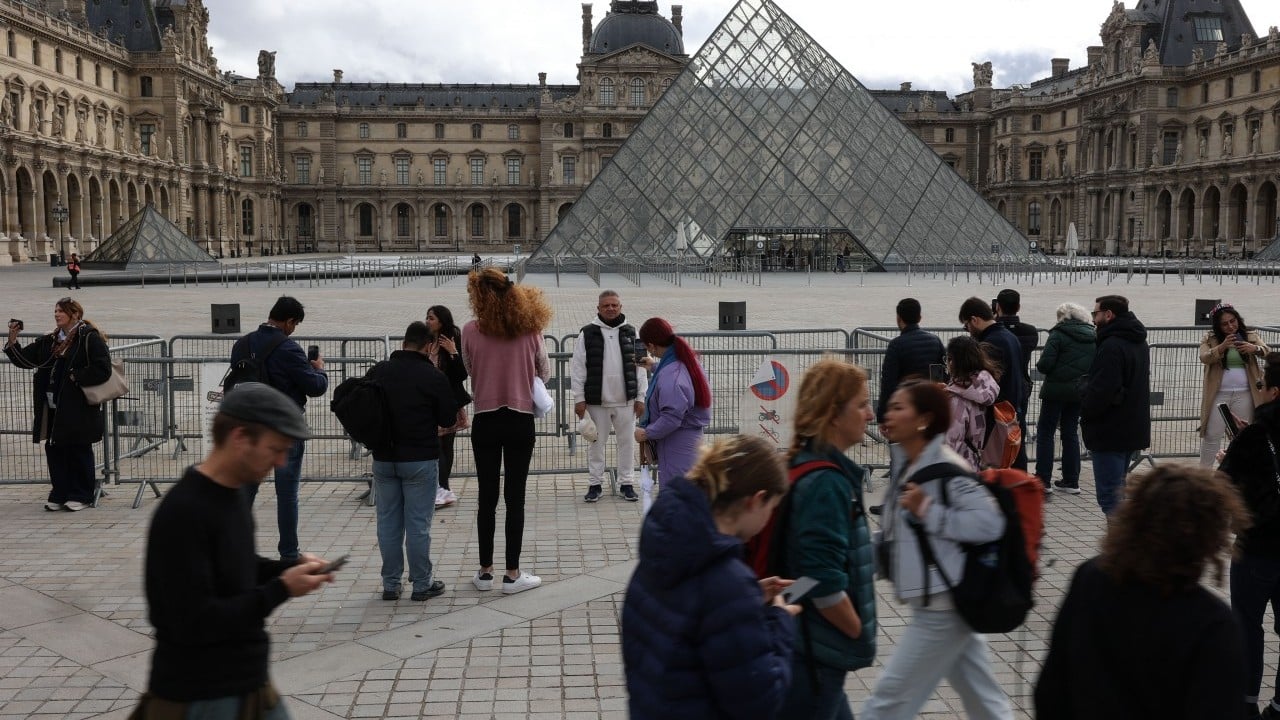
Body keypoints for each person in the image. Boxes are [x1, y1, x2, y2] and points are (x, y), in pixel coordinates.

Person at [131, 382, 336, 719]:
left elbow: (235, 565)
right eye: (275, 449)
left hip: (246, 685)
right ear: (240, 438)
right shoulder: (184, 512)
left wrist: (287, 568)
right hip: (201, 697)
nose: (282, 462)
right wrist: (282, 589)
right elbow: (196, 620)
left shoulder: (233, 494)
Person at [1034, 465, 1248, 719]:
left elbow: (1051, 687)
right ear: (1210, 536)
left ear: (1135, 517)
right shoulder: (1212, 623)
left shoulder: (1092, 577)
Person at [862, 380, 1011, 720]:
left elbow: (990, 523)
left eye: (899, 408)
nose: (888, 414)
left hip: (941, 609)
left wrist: (928, 511)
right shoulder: (910, 466)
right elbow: (893, 534)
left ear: (924, 420)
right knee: (984, 700)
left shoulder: (946, 470)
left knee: (890, 699)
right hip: (944, 603)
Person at [622, 435, 796, 720]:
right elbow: (759, 700)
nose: (768, 520)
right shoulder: (727, 581)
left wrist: (749, 597)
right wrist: (780, 622)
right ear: (757, 500)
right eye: (771, 509)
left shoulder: (664, 548)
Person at [775, 359, 878, 719]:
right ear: (834, 414)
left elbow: (808, 567)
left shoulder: (805, 463)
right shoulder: (827, 483)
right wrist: (856, 631)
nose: (870, 414)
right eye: (862, 404)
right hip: (814, 656)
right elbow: (820, 575)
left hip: (806, 647)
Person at [461, 268, 551, 595]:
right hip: (519, 418)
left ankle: (485, 572)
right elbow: (545, 371)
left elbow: (470, 368)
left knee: (487, 497)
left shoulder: (470, 331)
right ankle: (512, 573)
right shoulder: (531, 330)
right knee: (516, 499)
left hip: (485, 418)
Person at [365, 322, 458, 602]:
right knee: (418, 524)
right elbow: (447, 418)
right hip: (419, 458)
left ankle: (391, 583)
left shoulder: (379, 371)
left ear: (404, 342)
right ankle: (422, 583)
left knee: (388, 522)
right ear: (430, 346)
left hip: (384, 457)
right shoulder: (431, 376)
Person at [233, 296, 328, 562]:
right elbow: (315, 387)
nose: (293, 329)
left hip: (250, 425)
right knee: (286, 494)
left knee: (246, 490)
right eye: (294, 324)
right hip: (284, 428)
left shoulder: (242, 343)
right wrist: (320, 370)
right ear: (289, 321)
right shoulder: (289, 348)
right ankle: (288, 552)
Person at [5, 298, 111, 512]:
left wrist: (75, 376)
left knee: (78, 447)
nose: (56, 314)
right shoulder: (50, 340)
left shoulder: (88, 337)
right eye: (55, 311)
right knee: (54, 447)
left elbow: (103, 369)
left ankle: (81, 494)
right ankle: (60, 492)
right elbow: (25, 360)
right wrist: (12, 339)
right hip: (51, 405)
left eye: (61, 311)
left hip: (77, 405)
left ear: (75, 314)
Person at [1219, 353, 1280, 719]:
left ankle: (1245, 705)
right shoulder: (1256, 434)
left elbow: (1224, 483)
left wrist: (1234, 448)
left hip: (1259, 545)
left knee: (1247, 624)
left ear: (1275, 391)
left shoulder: (1257, 434)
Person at [572, 290, 647, 503]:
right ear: (599, 308)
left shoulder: (633, 333)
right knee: (596, 444)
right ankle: (595, 484)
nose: (611, 309)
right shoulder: (587, 334)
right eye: (606, 306)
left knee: (627, 444)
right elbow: (578, 368)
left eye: (614, 305)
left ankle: (627, 483)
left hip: (627, 402)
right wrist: (579, 399)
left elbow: (641, 368)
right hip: (597, 402)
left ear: (621, 307)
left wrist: (641, 396)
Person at [1080, 295, 1150, 516]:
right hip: (1132, 426)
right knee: (1118, 492)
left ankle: (1121, 547)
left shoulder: (1111, 345)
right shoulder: (1138, 341)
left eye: (1095, 314)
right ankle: (1124, 544)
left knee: (1110, 497)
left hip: (1110, 430)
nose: (1093, 319)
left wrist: (1086, 406)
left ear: (1108, 315)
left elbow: (1103, 391)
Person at [634, 317, 712, 483]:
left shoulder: (672, 376)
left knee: (677, 493)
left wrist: (646, 433)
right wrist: (654, 367)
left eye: (648, 348)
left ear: (651, 346)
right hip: (690, 439)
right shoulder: (685, 361)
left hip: (676, 443)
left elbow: (671, 418)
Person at [959, 296, 1027, 472]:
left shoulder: (989, 344)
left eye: (966, 325)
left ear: (975, 320)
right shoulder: (1011, 337)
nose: (968, 331)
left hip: (996, 418)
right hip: (1012, 413)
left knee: (996, 470)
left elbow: (983, 387)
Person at [1198, 302, 1269, 467]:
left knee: (1241, 436)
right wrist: (1222, 347)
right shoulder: (1210, 338)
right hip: (1219, 394)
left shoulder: (1250, 335)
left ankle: (1237, 476)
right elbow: (1204, 357)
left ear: (1238, 319)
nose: (1230, 326)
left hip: (1245, 393)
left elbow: (1268, 351)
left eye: (1233, 321)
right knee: (1212, 435)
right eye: (1225, 324)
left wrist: (1255, 349)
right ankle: (1203, 476)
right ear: (1218, 326)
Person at [1034, 303, 1095, 494]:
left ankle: (1043, 480)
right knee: (1070, 432)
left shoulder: (1058, 334)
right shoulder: (1095, 336)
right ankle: (1071, 480)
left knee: (1046, 432)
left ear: (1062, 317)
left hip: (1055, 391)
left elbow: (1044, 364)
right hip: (1079, 391)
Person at [426, 304, 470, 509]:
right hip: (430, 402)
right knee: (437, 445)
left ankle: (443, 487)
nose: (428, 321)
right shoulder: (427, 341)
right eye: (427, 317)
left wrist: (453, 353)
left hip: (448, 402)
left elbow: (461, 374)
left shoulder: (451, 339)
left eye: (432, 318)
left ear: (442, 321)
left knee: (446, 446)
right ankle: (442, 488)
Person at [876, 297, 944, 424]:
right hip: (929, 408)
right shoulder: (935, 340)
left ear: (898, 318)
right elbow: (943, 375)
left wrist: (882, 417)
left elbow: (888, 384)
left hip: (905, 410)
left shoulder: (896, 345)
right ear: (920, 318)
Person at [992, 289, 1037, 475]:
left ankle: (998, 472)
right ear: (1018, 307)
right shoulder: (1030, 332)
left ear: (997, 307)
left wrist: (994, 320)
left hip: (998, 390)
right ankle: (1020, 474)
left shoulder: (993, 334)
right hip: (1021, 387)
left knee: (995, 435)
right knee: (1018, 431)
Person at [942, 335, 1000, 471]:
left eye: (948, 359)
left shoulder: (957, 400)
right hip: (975, 460)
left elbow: (950, 443)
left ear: (953, 362)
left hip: (959, 468)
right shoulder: (982, 385)